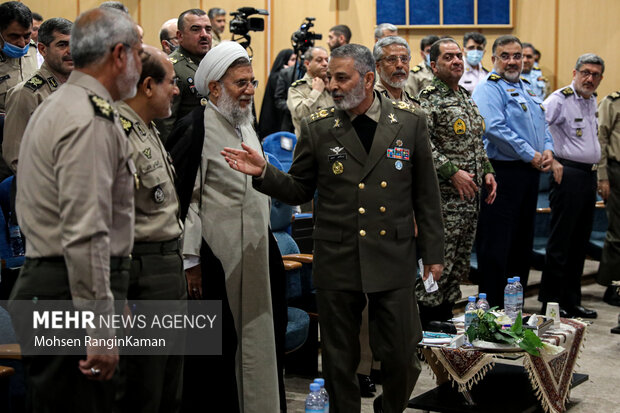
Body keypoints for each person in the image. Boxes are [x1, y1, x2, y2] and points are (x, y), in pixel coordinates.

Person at [222, 43, 445, 413]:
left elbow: (427, 195)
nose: (333, 85)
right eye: (329, 78)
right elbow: (299, 188)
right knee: (340, 361)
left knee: (405, 356)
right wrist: (265, 172)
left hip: (393, 254)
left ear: (368, 78)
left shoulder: (410, 120)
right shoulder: (319, 127)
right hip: (339, 255)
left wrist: (433, 255)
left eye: (342, 78)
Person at [8, 7, 141, 412]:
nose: (141, 63)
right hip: (68, 288)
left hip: (63, 285)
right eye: (137, 53)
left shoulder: (65, 101)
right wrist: (100, 326)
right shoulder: (88, 117)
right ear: (119, 55)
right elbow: (86, 229)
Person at [173, 41, 281, 413]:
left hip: (255, 250)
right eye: (240, 84)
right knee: (219, 348)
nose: (249, 91)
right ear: (215, 87)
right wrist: (191, 261)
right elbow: (186, 200)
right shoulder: (195, 128)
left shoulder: (246, 123)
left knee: (260, 336)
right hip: (215, 255)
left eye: (252, 82)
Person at [113, 45, 185, 413]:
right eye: (170, 82)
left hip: (166, 268)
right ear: (147, 86)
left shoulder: (148, 129)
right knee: (144, 389)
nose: (176, 90)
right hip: (141, 274)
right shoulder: (117, 133)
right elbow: (108, 220)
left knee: (169, 385)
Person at [417, 38, 496, 326]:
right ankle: (426, 325)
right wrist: (451, 171)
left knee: (459, 264)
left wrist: (487, 170)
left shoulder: (464, 96)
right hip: (444, 201)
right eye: (448, 57)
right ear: (434, 65)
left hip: (468, 200)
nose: (457, 61)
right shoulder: (428, 98)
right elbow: (423, 145)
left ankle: (445, 318)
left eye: (458, 56)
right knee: (439, 263)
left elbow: (476, 142)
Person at [472, 35, 554, 307]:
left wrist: (548, 150)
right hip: (502, 173)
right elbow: (495, 128)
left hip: (529, 173)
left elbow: (544, 125)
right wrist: (531, 154)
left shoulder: (529, 88)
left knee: (522, 242)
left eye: (516, 56)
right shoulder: (488, 89)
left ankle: (514, 306)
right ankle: (492, 307)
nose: (512, 61)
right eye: (505, 56)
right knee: (497, 244)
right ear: (493, 59)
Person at [538, 54, 604, 319]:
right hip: (567, 174)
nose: (589, 78)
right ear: (574, 72)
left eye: (595, 74)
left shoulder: (592, 100)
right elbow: (539, 124)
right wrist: (550, 156)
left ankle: (571, 301)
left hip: (587, 176)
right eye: (585, 72)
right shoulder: (559, 99)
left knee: (579, 242)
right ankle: (551, 303)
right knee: (561, 242)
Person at [3, 17, 73, 172]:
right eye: (62, 45)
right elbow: (16, 158)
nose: (71, 51)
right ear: (42, 49)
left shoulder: (83, 88)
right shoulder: (26, 94)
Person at [155, 8, 211, 142]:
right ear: (180, 36)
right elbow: (165, 124)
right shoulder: (171, 67)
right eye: (196, 29)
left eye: (208, 29)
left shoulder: (211, 63)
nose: (204, 34)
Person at [0, 1, 38, 181]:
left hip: (32, 147)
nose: (22, 43)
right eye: (14, 36)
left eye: (27, 35)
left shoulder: (33, 51)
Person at [597, 89, 620, 311]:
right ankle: (613, 286)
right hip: (616, 170)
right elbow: (601, 138)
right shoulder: (612, 102)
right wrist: (602, 176)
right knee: (617, 232)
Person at [287, 46, 332, 136]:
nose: (325, 64)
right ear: (307, 64)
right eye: (319, 60)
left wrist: (332, 91)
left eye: (326, 60)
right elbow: (301, 115)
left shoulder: (332, 86)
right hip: (310, 146)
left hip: (334, 145)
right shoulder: (297, 88)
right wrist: (316, 92)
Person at [258, 48, 294, 138]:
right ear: (284, 62)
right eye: (292, 60)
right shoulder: (278, 76)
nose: (295, 63)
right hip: (274, 124)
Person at [373, 35, 417, 104]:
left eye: (404, 59)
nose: (400, 65)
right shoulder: (371, 101)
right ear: (378, 66)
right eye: (392, 59)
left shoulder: (414, 103)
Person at [405, 34, 439, 99]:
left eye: (434, 50)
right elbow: (410, 99)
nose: (432, 54)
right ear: (422, 54)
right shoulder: (415, 74)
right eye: (428, 51)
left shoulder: (445, 70)